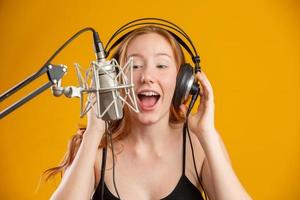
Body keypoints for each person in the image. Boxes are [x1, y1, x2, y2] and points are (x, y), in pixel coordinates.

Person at [46, 25, 252, 200]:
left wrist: (207, 134)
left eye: (161, 65)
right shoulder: (95, 149)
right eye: (134, 65)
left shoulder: (199, 145)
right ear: (115, 79)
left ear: (183, 81)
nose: (147, 76)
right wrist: (94, 132)